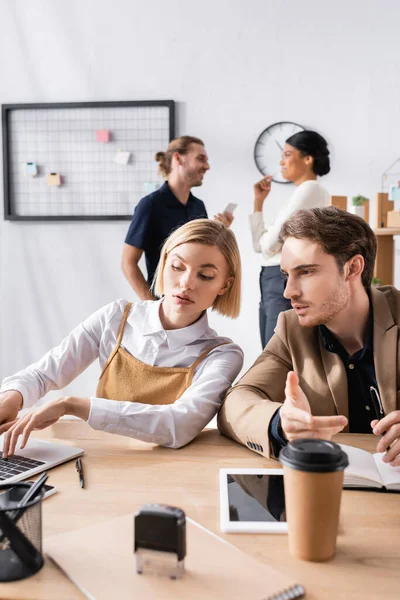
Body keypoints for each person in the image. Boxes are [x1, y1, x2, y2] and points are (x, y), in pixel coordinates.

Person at [0, 219, 243, 457]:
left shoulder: (222, 355)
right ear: (165, 261)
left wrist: (74, 405)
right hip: (101, 458)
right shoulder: (116, 317)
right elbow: (45, 373)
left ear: (224, 285)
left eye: (206, 276)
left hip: (171, 476)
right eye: (177, 267)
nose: (186, 283)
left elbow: (179, 425)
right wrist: (14, 395)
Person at [218, 206, 400, 468]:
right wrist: (279, 422)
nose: (288, 292)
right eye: (286, 275)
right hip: (333, 490)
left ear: (353, 268)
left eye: (305, 272)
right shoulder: (292, 329)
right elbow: (235, 402)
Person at [122, 135, 234, 300]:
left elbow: (202, 255)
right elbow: (128, 263)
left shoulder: (198, 206)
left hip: (195, 300)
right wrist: (151, 305)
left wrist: (219, 231)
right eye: (201, 159)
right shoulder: (150, 205)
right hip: (163, 304)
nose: (207, 166)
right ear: (177, 158)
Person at [250, 131, 331, 348]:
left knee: (276, 353)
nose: (281, 161)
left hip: (281, 277)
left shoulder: (311, 189)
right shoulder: (302, 193)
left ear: (307, 159)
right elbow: (261, 245)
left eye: (287, 154)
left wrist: (269, 242)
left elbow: (268, 245)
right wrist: (259, 202)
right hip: (272, 278)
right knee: (272, 351)